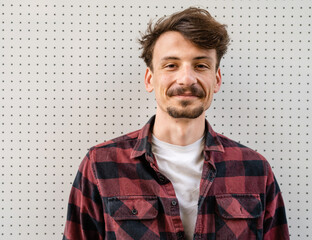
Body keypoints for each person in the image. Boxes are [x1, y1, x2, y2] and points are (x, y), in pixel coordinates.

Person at [62, 7, 289, 240]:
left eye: (201, 65)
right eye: (171, 65)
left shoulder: (255, 169)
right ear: (150, 79)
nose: (187, 79)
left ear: (217, 79)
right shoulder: (100, 165)